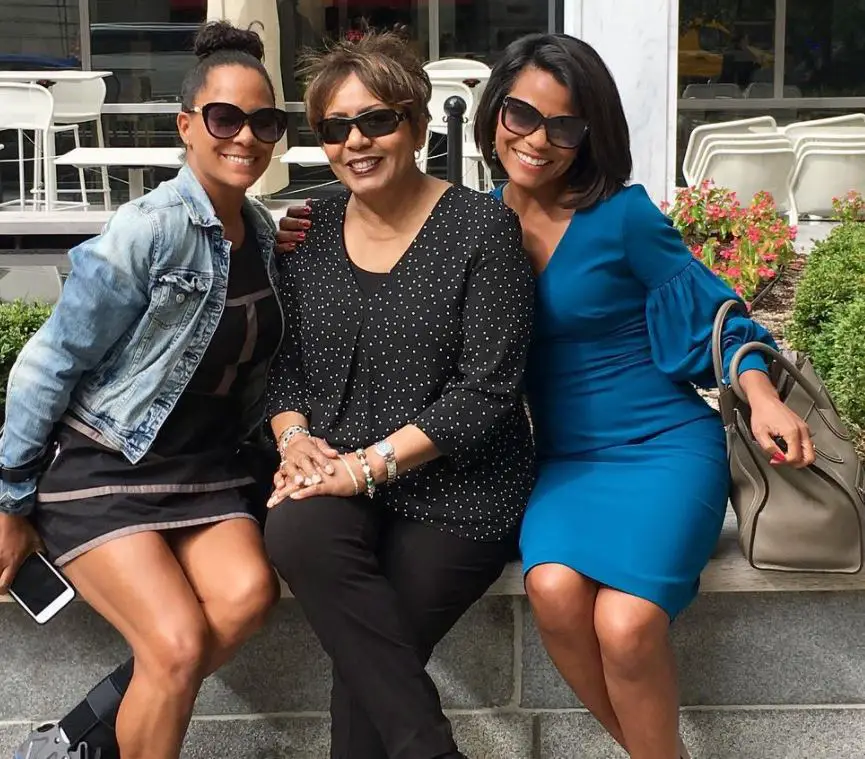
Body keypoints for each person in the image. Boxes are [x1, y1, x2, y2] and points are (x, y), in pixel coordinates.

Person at [277, 32, 814, 759]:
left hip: (658, 445)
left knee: (625, 625)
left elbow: (713, 311)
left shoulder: (620, 217)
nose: (537, 140)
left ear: (588, 134)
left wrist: (760, 393)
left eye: (563, 126)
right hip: (565, 459)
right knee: (555, 595)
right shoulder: (467, 220)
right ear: (494, 112)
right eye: (521, 116)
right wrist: (310, 222)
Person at [4, 20, 288, 759]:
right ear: (188, 124)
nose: (246, 138)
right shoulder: (148, 228)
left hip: (204, 468)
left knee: (247, 597)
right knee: (175, 641)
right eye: (225, 118)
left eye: (266, 122)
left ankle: (76, 738)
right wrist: (6, 500)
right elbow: (47, 361)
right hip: (104, 465)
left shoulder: (259, 230)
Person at [264, 31, 535, 759]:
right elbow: (283, 369)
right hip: (334, 477)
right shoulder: (307, 229)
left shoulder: (482, 229)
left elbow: (487, 390)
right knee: (291, 530)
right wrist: (294, 441)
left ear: (414, 123)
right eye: (333, 128)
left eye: (375, 120)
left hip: (457, 488)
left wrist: (365, 465)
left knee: (365, 676)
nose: (355, 141)